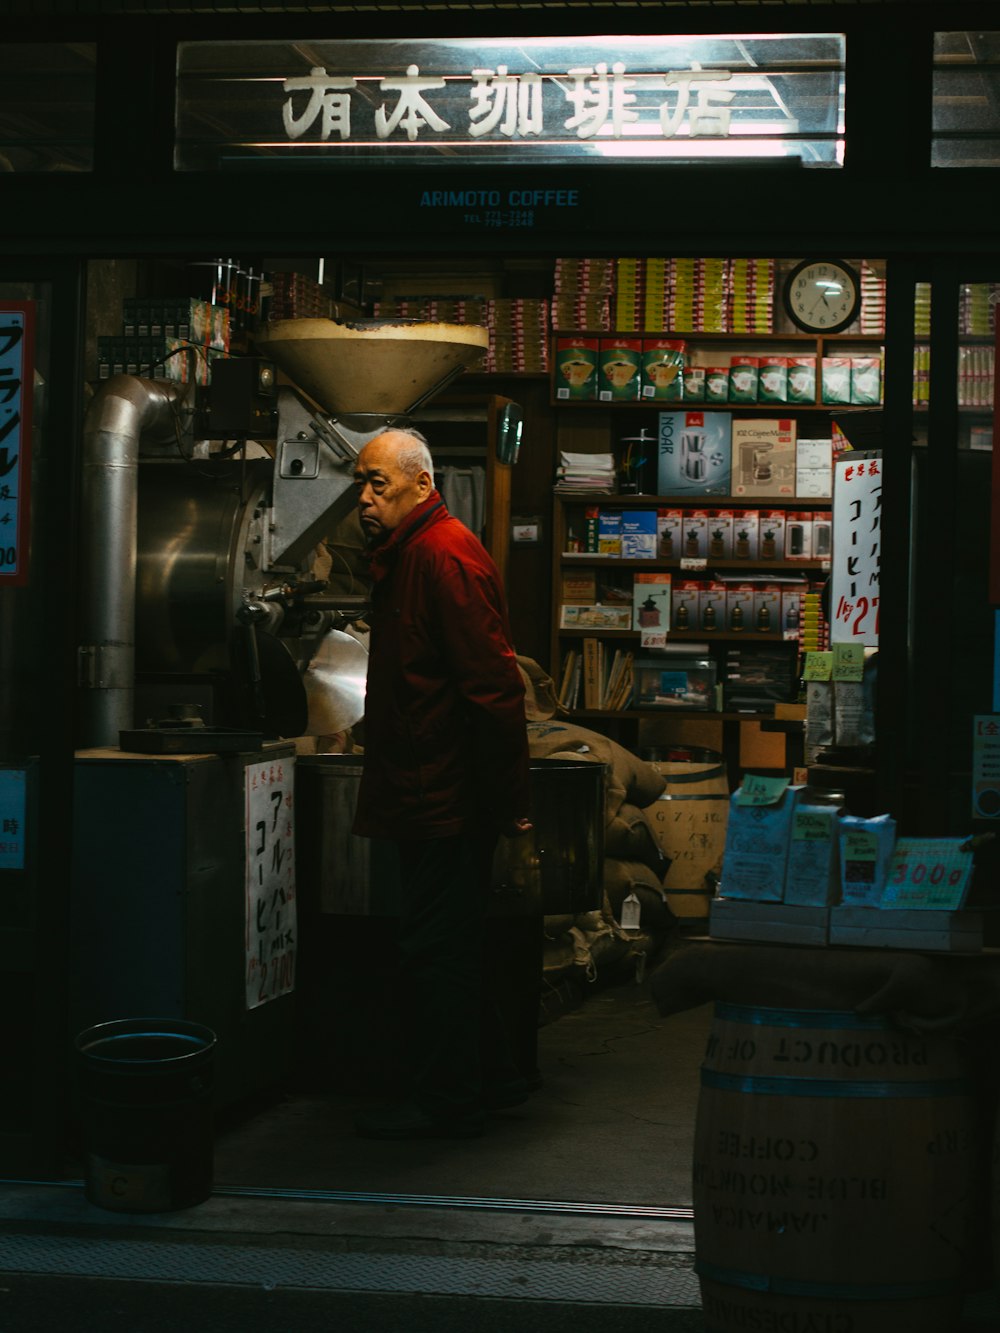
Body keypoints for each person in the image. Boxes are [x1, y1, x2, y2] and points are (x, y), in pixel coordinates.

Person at [351, 426, 533, 1140]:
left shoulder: (443, 554)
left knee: (434, 950)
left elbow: (495, 691)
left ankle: (450, 1101)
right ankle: (494, 1077)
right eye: (360, 482)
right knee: (448, 943)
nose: (365, 497)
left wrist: (511, 805)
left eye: (378, 483)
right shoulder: (410, 553)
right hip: (424, 788)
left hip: (446, 797)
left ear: (422, 485)